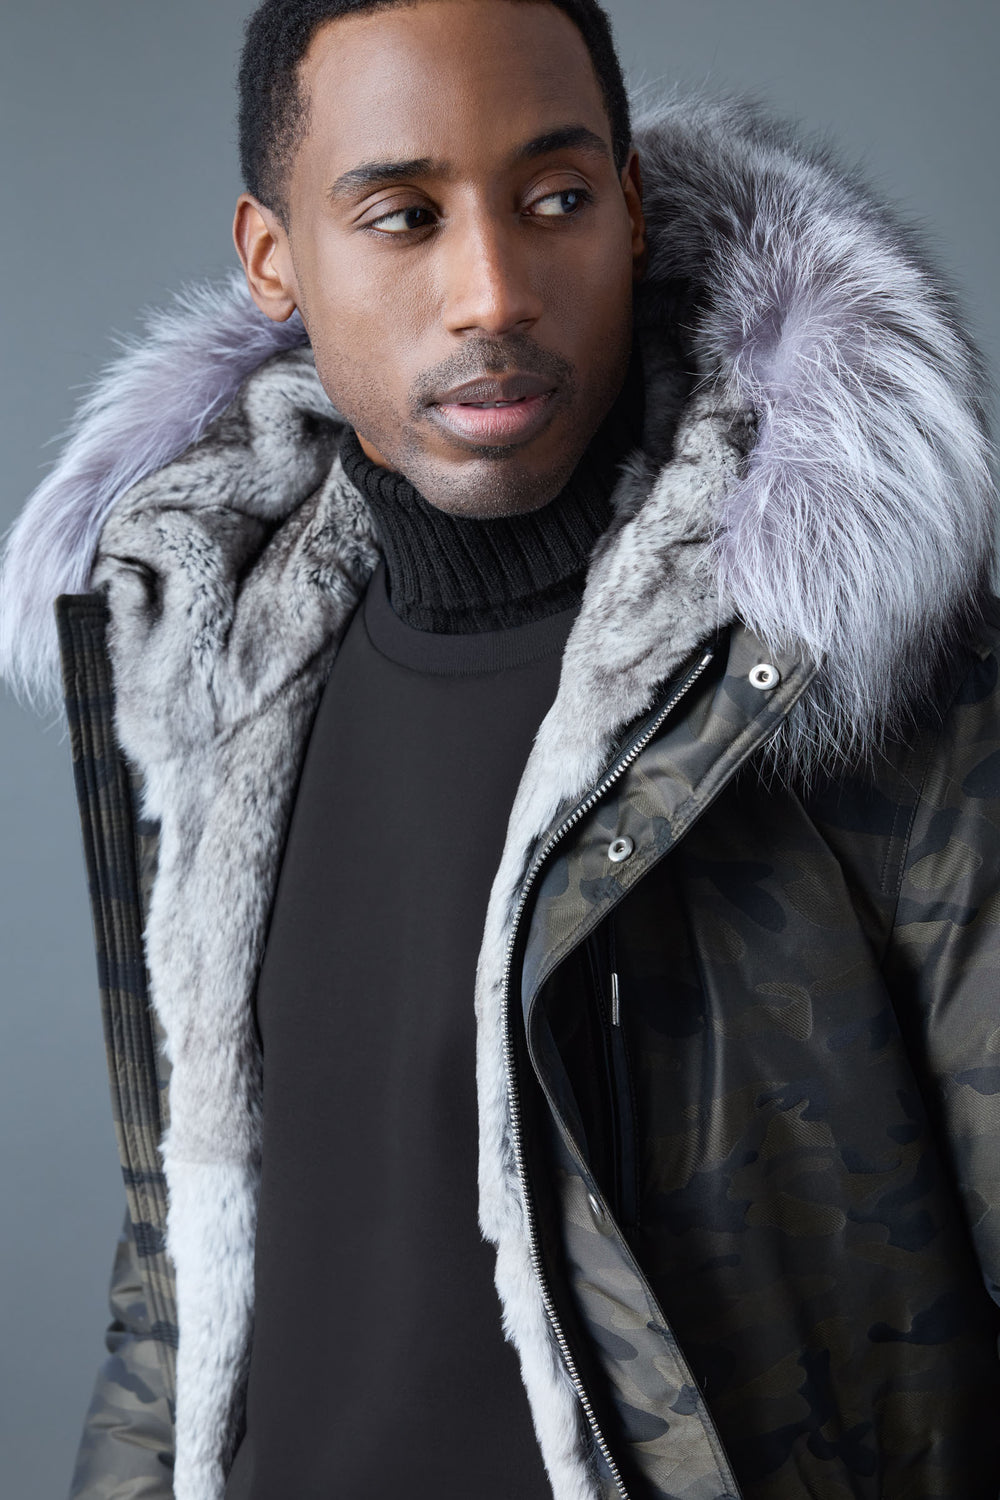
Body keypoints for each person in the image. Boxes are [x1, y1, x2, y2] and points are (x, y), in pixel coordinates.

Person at [2, 0, 999, 1496]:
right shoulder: (207, 673)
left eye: (556, 199)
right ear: (274, 260)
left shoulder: (845, 672)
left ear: (632, 209)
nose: (492, 291)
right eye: (402, 217)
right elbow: (178, 1289)